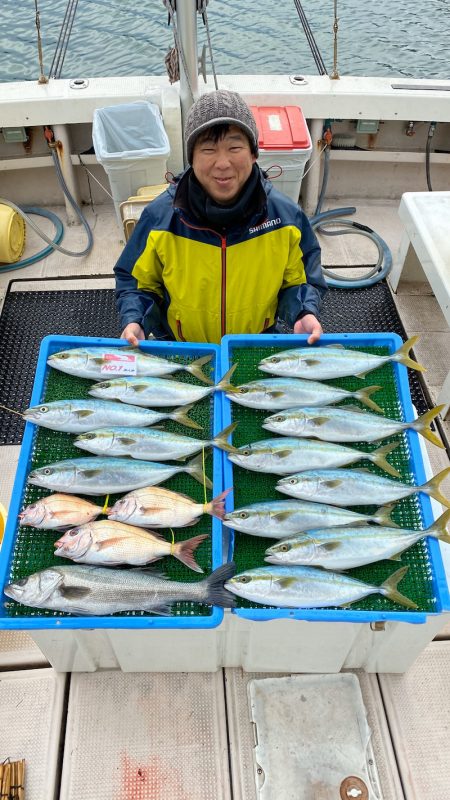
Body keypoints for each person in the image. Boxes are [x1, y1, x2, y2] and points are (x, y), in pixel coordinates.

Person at [114, 89, 327, 345]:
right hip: (182, 346)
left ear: (253, 153)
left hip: (255, 344)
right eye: (208, 149)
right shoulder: (160, 217)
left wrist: (303, 313)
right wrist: (135, 320)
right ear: (191, 158)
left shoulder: (286, 218)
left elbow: (300, 282)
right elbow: (137, 283)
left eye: (234, 147)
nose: (223, 163)